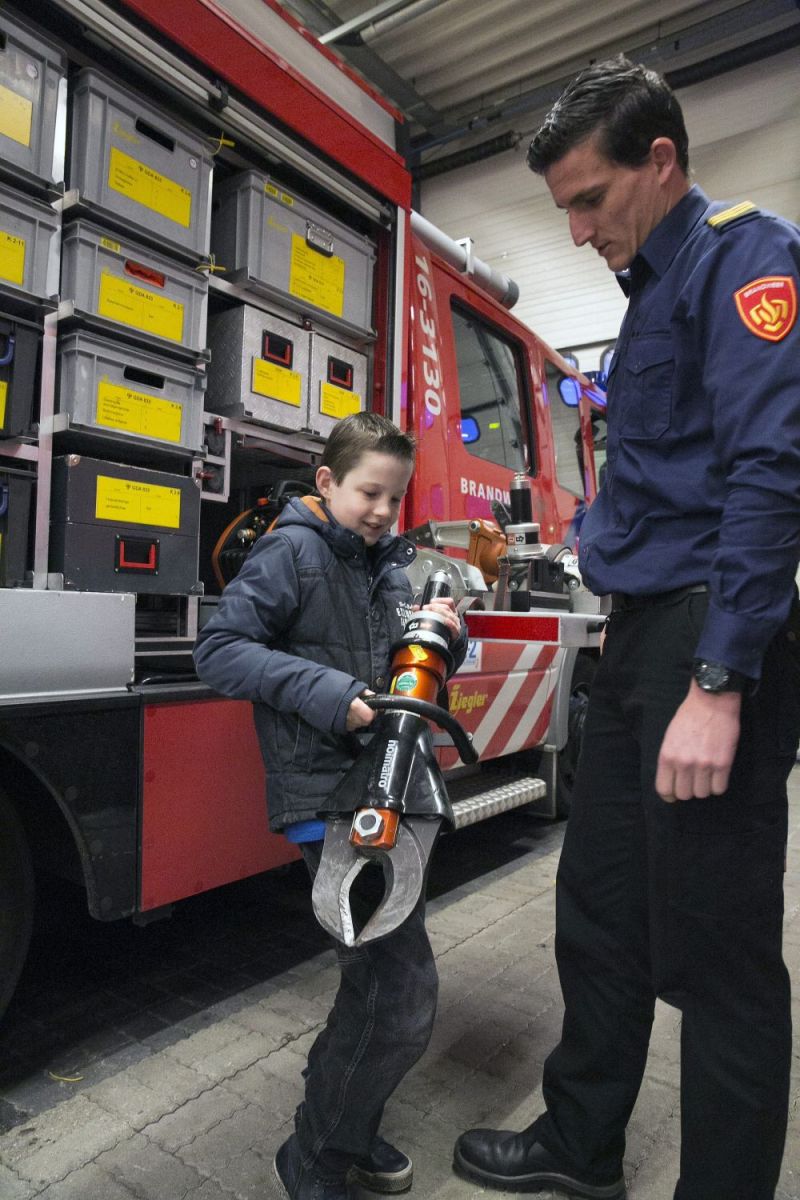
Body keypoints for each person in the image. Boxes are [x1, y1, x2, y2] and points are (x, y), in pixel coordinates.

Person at [453, 56, 800, 1200]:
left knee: (717, 954)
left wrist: (720, 680)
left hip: (706, 640)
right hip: (638, 634)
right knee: (597, 906)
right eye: (560, 206)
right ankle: (578, 1145)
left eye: (588, 199)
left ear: (660, 162)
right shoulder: (648, 293)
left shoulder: (740, 256)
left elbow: (766, 472)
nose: (574, 229)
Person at [194, 411, 465, 1200]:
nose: (384, 511)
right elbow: (221, 650)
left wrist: (444, 634)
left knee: (371, 983)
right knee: (400, 994)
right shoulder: (294, 551)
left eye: (395, 498)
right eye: (368, 494)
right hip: (332, 795)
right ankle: (314, 1158)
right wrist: (334, 694)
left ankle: (346, 1124)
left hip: (393, 785)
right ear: (326, 482)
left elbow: (402, 658)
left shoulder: (382, 560)